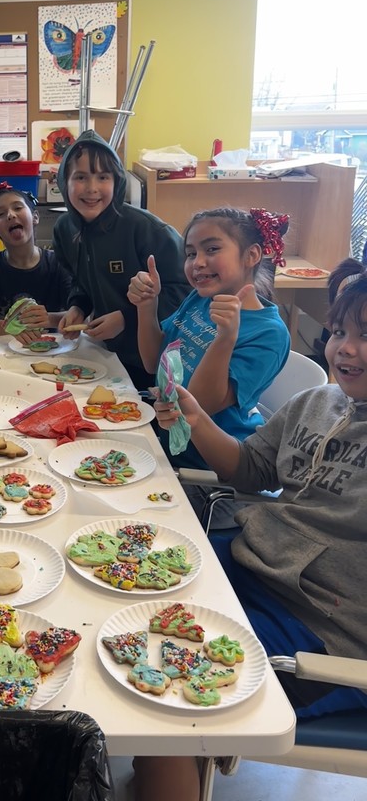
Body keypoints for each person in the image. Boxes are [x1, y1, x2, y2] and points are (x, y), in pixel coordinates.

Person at [135, 267, 367, 801]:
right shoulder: (317, 403)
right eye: (338, 332)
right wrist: (194, 418)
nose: (345, 350)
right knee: (139, 589)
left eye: (365, 336)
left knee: (162, 683)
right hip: (250, 567)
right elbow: (249, 469)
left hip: (320, 630)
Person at [127, 206, 291, 469]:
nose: (198, 262)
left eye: (212, 249)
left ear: (251, 255)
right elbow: (153, 363)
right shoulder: (199, 299)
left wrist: (225, 338)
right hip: (163, 445)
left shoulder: (269, 333)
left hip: (204, 469)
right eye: (191, 253)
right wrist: (147, 305)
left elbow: (199, 406)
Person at [52, 129, 190, 389]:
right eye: (80, 177)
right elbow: (80, 280)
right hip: (107, 358)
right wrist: (77, 307)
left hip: (157, 363)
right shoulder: (64, 230)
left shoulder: (147, 230)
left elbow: (185, 294)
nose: (92, 188)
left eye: (102, 177)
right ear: (63, 182)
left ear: (116, 181)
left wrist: (127, 318)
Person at [0, 181, 72, 343]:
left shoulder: (59, 262)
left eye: (18, 208)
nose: (10, 215)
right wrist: (12, 328)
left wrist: (49, 318)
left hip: (54, 349)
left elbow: (81, 317)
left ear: (35, 217)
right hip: (4, 351)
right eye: (0, 214)